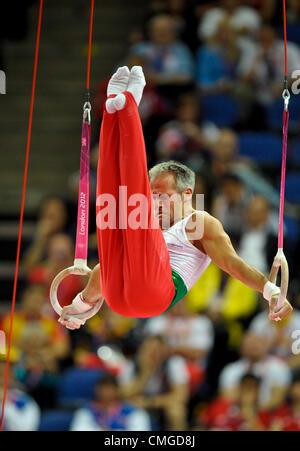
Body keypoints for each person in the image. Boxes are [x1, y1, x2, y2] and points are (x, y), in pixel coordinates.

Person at [57, 65, 292, 330]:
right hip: (117, 297)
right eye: (152, 194)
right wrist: (81, 306)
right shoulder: (148, 226)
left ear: (186, 194)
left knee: (126, 205)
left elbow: (232, 264)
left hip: (156, 294)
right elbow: (109, 267)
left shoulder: (199, 223)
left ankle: (130, 106)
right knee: (114, 214)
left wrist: (271, 291)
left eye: (161, 195)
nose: (154, 201)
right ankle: (113, 110)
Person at [70, 373, 151, 431]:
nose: (106, 393)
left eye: (109, 389)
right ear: (96, 390)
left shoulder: (134, 412)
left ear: (117, 390)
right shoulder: (85, 412)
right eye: (103, 389)